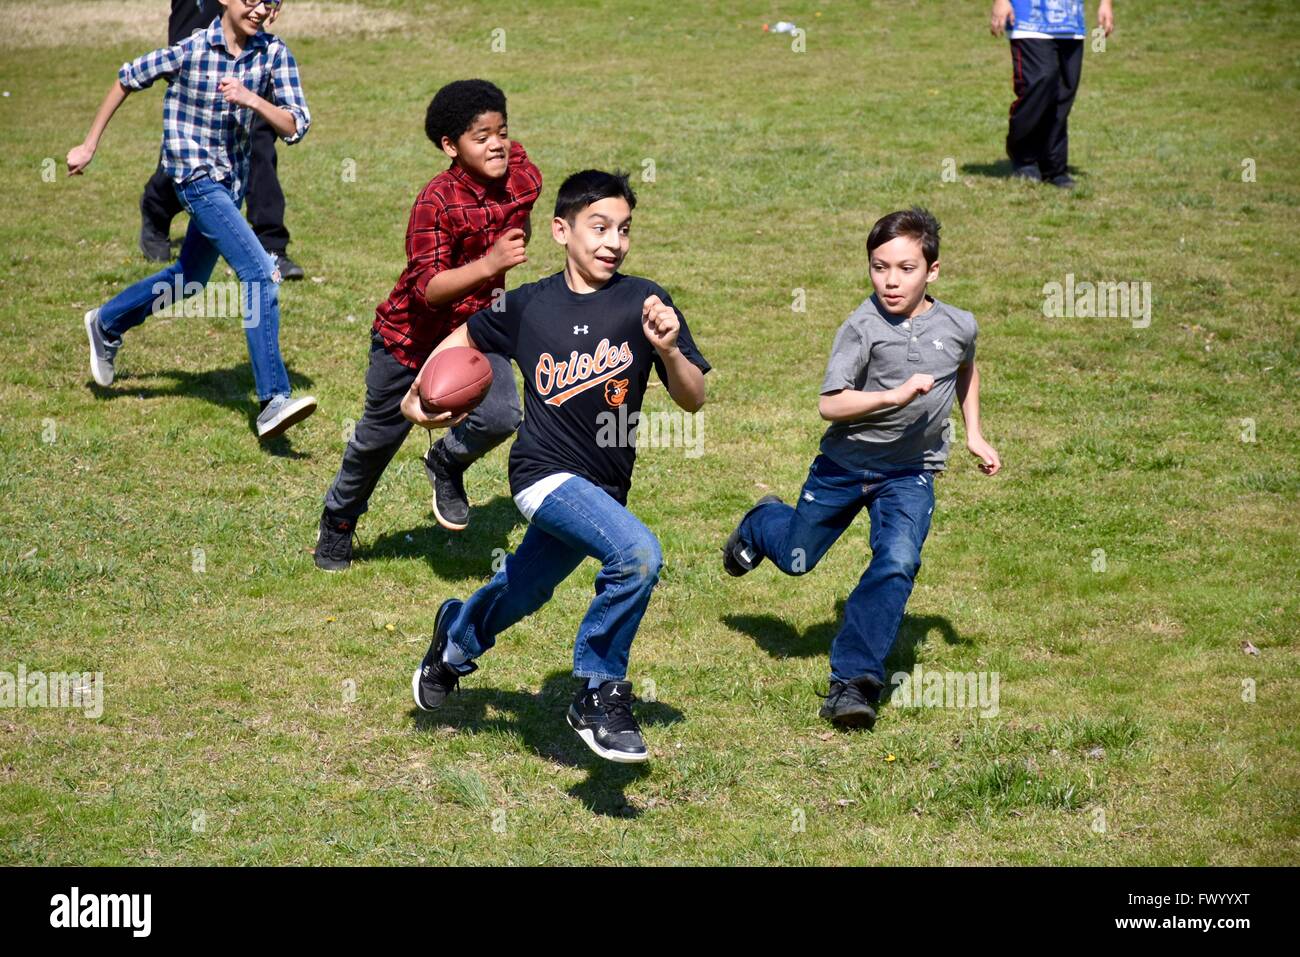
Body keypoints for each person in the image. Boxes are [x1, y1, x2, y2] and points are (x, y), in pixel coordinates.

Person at [407, 170, 710, 763]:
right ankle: (598, 692)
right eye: (598, 227)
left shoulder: (645, 300)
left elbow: (693, 397)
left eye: (623, 230)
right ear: (560, 230)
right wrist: (421, 393)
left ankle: (452, 644)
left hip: (604, 486)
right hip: (542, 474)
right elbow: (462, 335)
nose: (612, 242)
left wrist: (670, 350)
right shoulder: (527, 305)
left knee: (524, 590)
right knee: (638, 555)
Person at [722, 208, 1001, 729]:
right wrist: (894, 395)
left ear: (932, 271)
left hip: (910, 473)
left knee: (897, 559)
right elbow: (830, 404)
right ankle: (762, 522)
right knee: (798, 560)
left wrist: (975, 434)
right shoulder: (862, 327)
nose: (890, 280)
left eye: (905, 268)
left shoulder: (959, 325)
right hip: (844, 467)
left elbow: (965, 369)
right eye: (878, 267)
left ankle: (853, 682)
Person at [314, 79, 541, 570]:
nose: (497, 144)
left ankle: (446, 461)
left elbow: (527, 191)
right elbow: (428, 288)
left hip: (479, 328)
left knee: (502, 414)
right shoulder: (435, 201)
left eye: (501, 131)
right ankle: (338, 521)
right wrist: (490, 263)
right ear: (449, 147)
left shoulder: (522, 174)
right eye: (480, 137)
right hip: (410, 338)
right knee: (376, 441)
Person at [69, 0, 317, 440]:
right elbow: (127, 77)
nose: (260, 9)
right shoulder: (190, 50)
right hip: (194, 178)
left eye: (271, 2)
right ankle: (273, 400)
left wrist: (251, 98)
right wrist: (89, 145)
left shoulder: (274, 54)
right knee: (260, 272)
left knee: (190, 279)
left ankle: (106, 322)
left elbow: (295, 125)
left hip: (229, 184)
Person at [139, 0, 305, 280]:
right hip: (196, 8)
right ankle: (157, 207)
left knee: (257, 126)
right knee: (196, 123)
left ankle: (270, 241)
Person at [990, 0, 1115, 188]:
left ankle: (1054, 167)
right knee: (1041, 80)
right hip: (1027, 20)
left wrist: (1106, 4)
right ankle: (1024, 158)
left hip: (1071, 23)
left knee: (1063, 94)